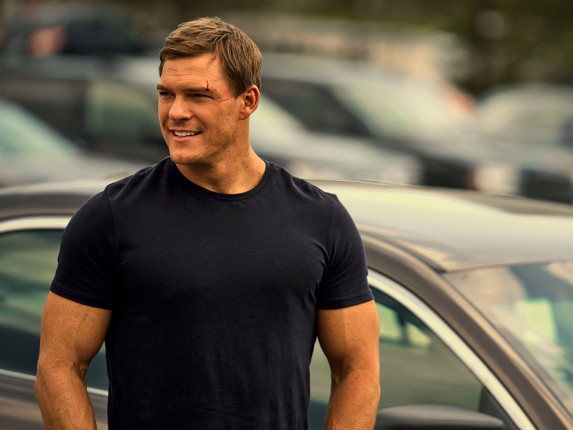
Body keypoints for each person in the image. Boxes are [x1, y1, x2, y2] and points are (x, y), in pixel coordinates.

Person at [35, 17, 380, 429]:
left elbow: (357, 369)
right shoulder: (110, 218)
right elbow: (60, 367)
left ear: (247, 101)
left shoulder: (321, 218)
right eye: (166, 94)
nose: (176, 112)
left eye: (198, 95)